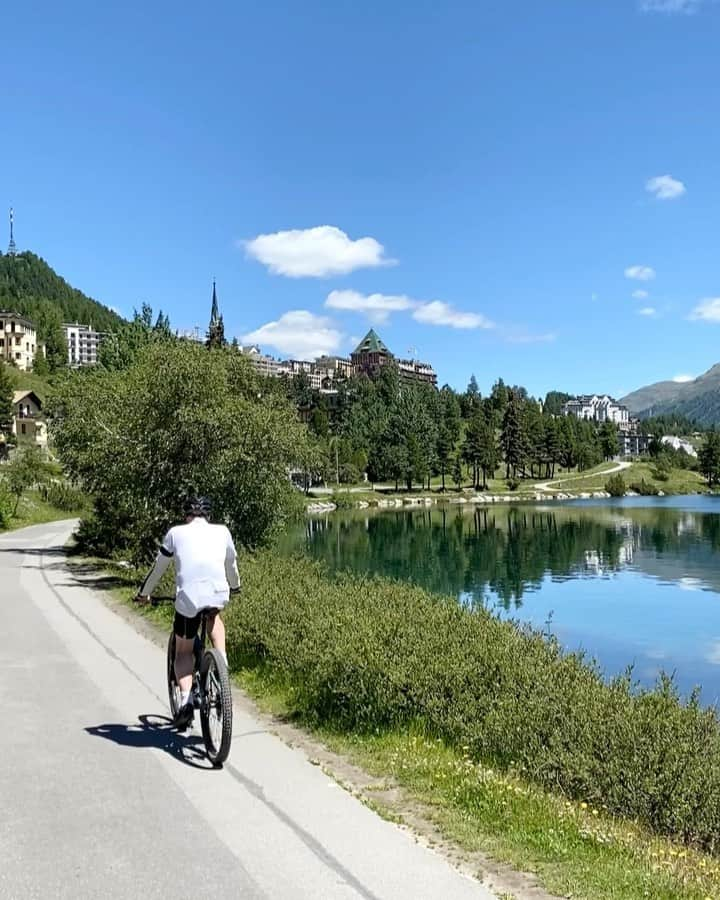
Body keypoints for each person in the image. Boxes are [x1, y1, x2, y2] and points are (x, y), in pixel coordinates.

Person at [135, 496, 240, 729]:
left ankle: (186, 701)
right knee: (214, 618)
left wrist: (144, 593)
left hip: (189, 600)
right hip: (217, 593)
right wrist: (235, 586)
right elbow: (232, 564)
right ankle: (221, 668)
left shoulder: (175, 533)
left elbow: (158, 568)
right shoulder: (223, 531)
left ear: (186, 516)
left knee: (183, 651)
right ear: (209, 516)